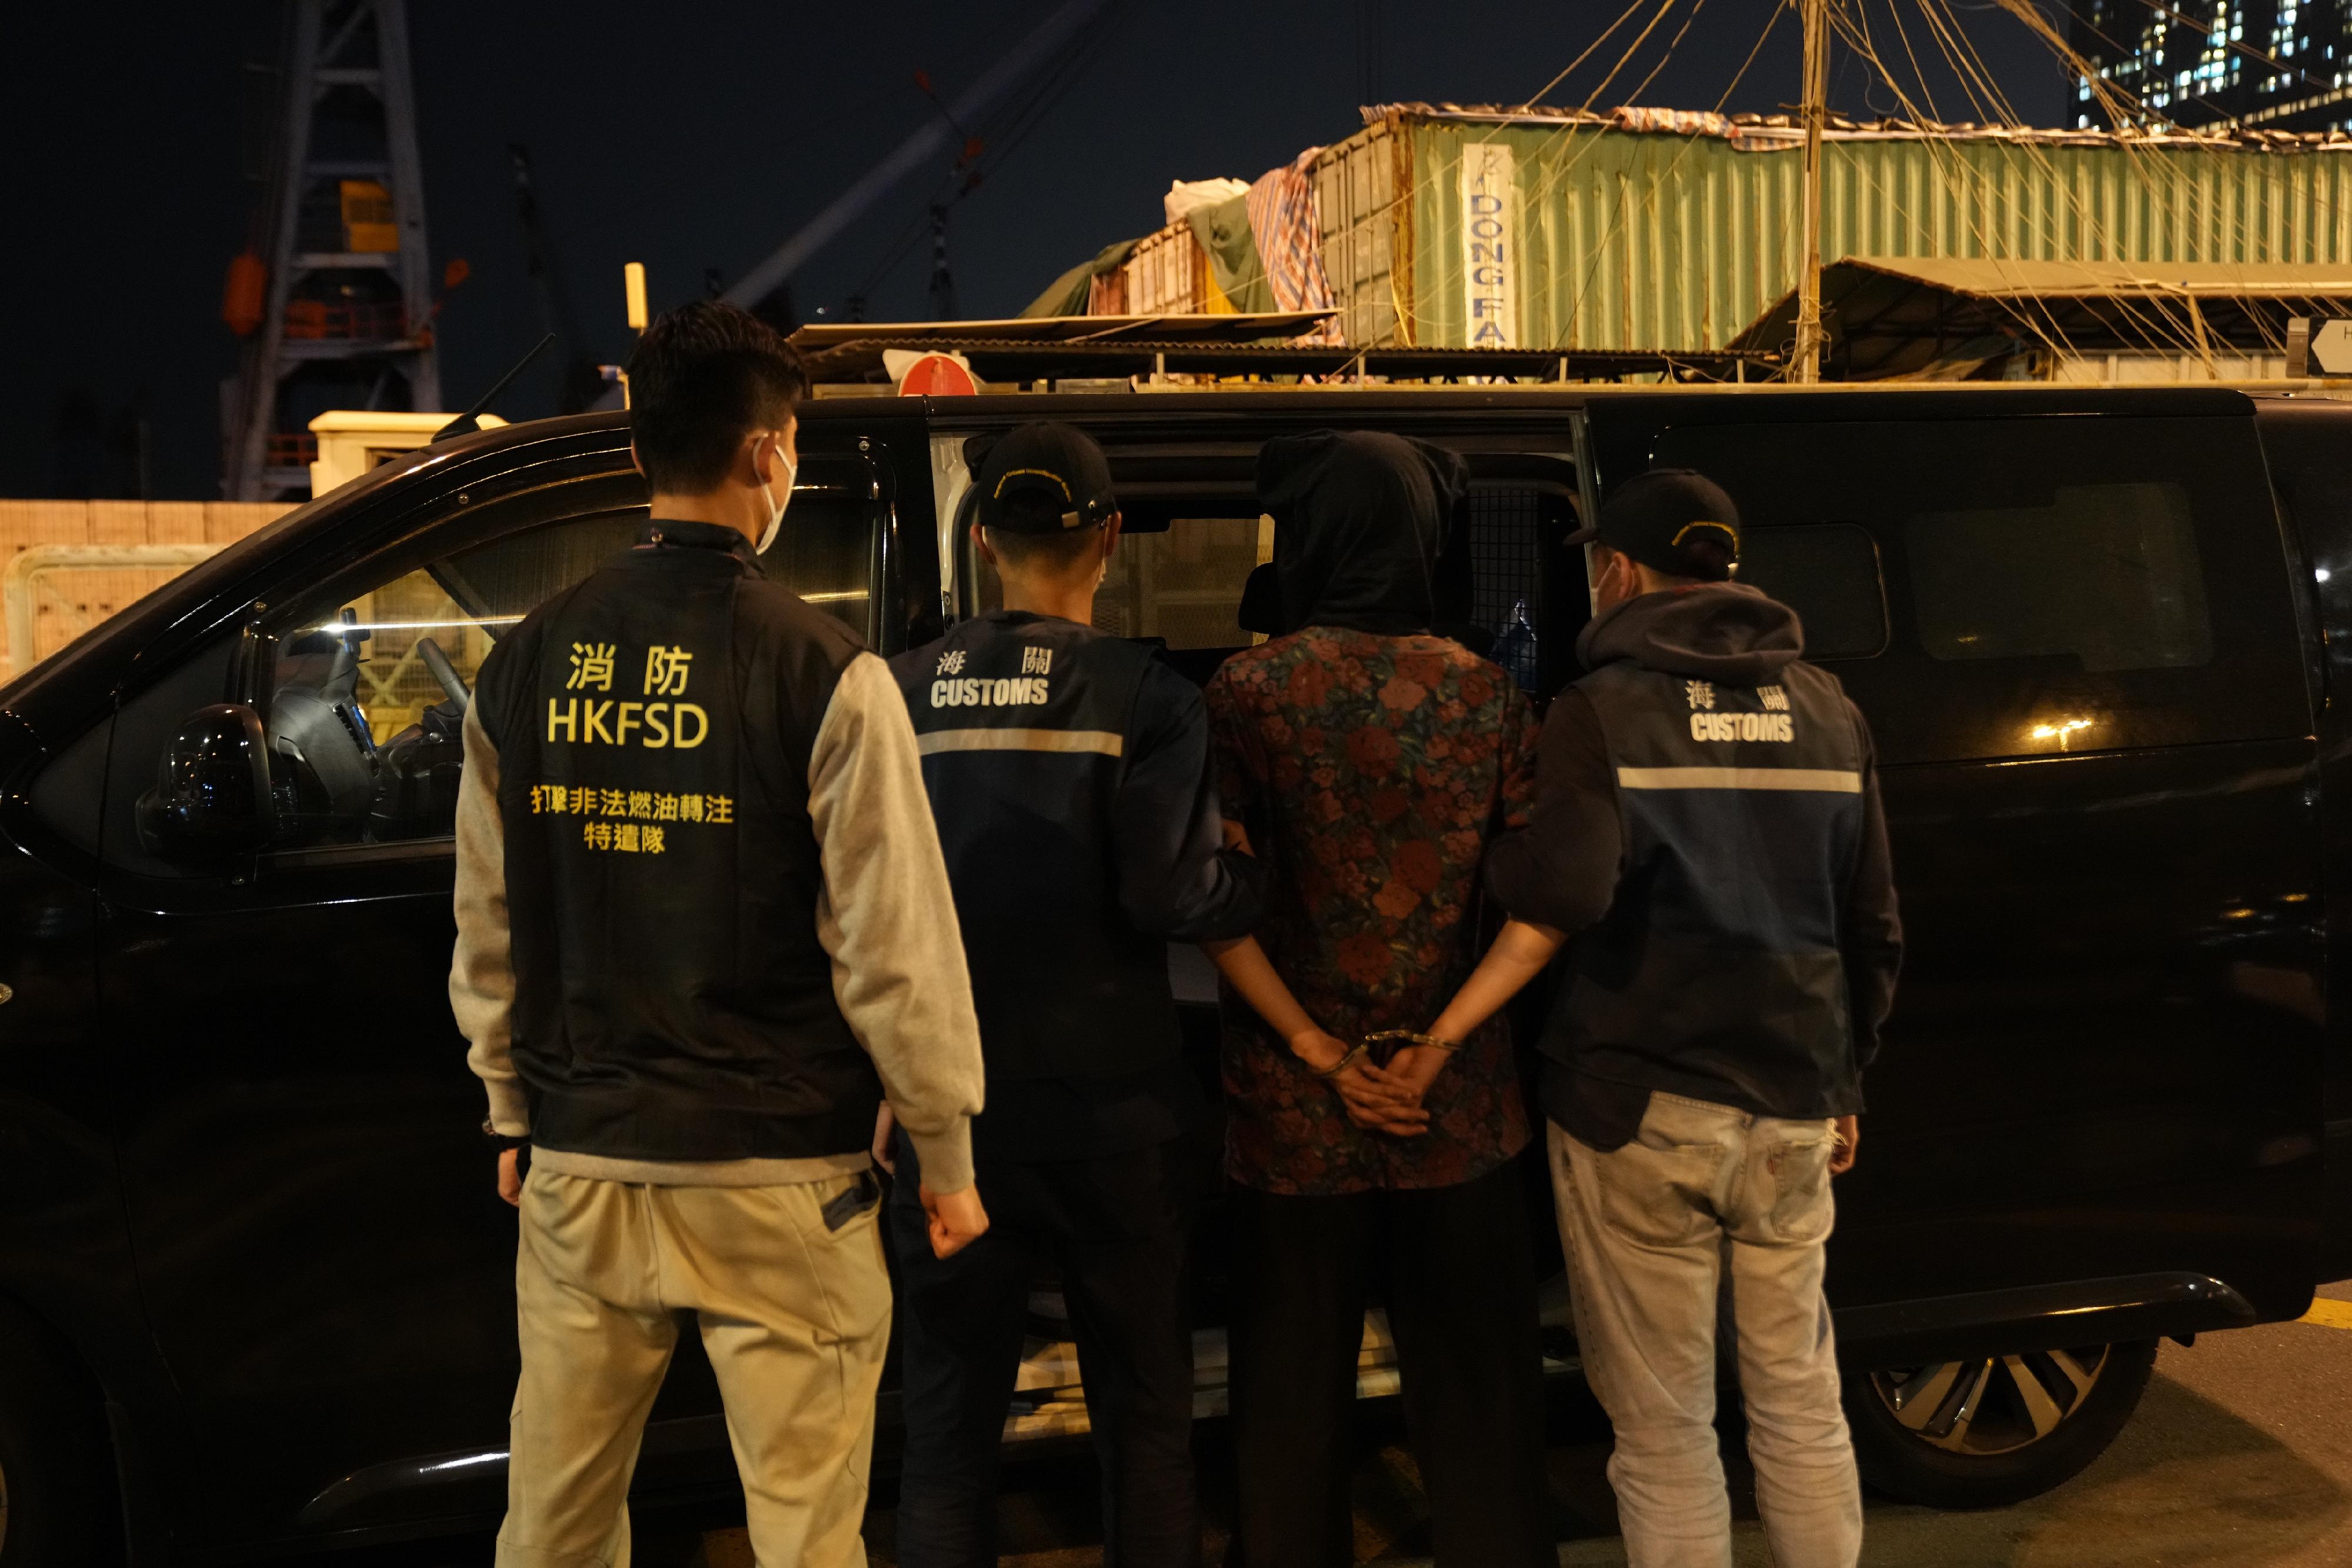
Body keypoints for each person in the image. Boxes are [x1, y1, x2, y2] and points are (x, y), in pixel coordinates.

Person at [449, 301, 990, 1568]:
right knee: (806, 1532)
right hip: (779, 1174)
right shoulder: (823, 669)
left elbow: (488, 924)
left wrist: (509, 1107)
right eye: (790, 437)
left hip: (585, 1169)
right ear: (765, 453)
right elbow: (892, 943)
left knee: (556, 1525)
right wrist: (945, 1149)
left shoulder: (524, 664)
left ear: (643, 450)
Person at [1425, 469, 1903, 1568]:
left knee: (1664, 1428)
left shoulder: (1602, 713)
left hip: (1636, 1107)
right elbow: (1874, 925)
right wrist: (1846, 1082)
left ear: (1621, 572)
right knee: (1800, 1400)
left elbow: (1568, 893)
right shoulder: (1831, 708)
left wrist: (1499, 852)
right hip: (1793, 1102)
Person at [880, 422, 1263, 1568]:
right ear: (1106, 537)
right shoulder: (1144, 694)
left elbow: (854, 900)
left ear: (984, 541)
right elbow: (1171, 891)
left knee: (945, 1432)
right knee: (1145, 1417)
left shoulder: (893, 693)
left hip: (951, 1122)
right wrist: (1243, 864)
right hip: (1118, 1122)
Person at [1199, 429, 1555, 1568]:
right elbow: (1542, 905)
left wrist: (1317, 1051)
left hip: (1294, 1118)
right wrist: (1436, 1048)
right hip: (1455, 1108)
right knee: (1481, 1394)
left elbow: (1211, 899)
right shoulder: (1486, 693)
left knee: (1289, 1399)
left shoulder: (1248, 692)